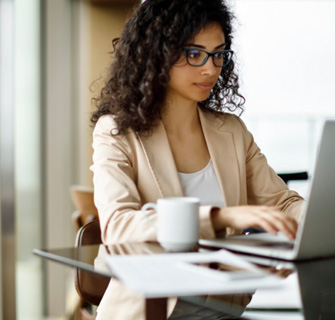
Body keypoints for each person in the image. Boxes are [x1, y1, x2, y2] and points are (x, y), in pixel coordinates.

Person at [90, 0, 304, 318]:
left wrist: (324, 219)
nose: (210, 69)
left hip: (222, 309)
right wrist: (221, 218)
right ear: (156, 54)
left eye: (218, 54)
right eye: (194, 54)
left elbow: (282, 203)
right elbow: (119, 226)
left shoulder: (231, 130)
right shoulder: (117, 131)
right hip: (150, 311)